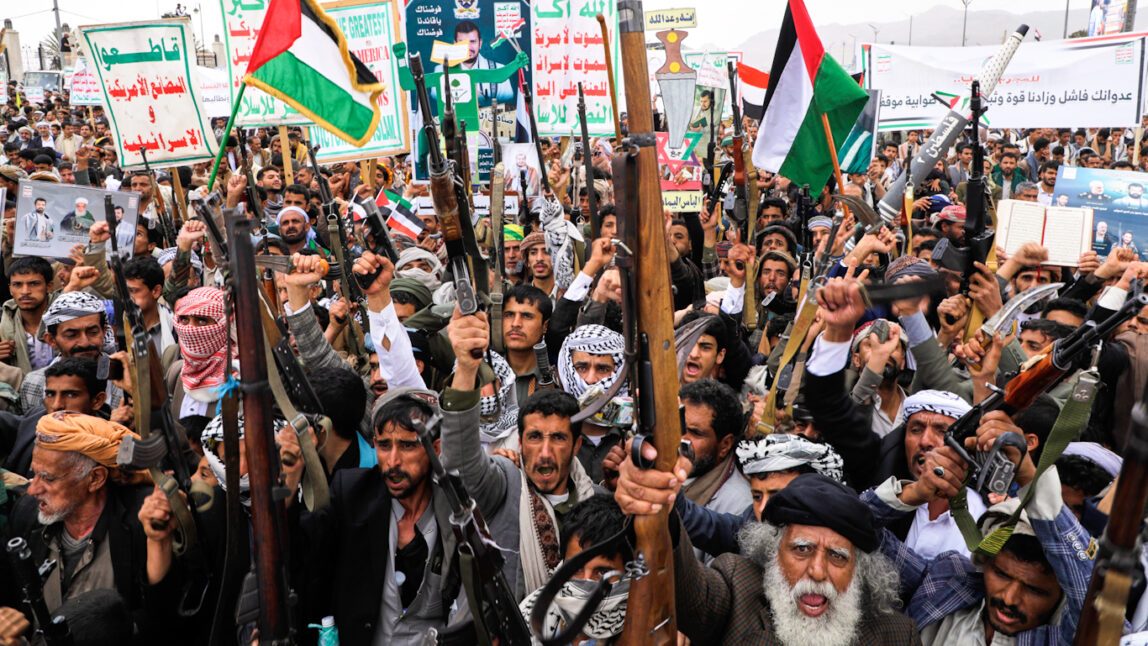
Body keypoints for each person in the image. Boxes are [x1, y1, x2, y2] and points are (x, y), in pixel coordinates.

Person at [616, 465, 920, 646]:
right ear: (774, 550)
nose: (817, 571)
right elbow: (688, 596)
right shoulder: (737, 588)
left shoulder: (896, 635)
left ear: (859, 570)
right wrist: (657, 510)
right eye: (802, 549)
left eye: (838, 556)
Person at [441, 306, 598, 600]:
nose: (546, 453)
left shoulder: (598, 502)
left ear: (577, 446)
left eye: (559, 438)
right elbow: (460, 466)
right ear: (520, 441)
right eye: (535, 437)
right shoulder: (503, 484)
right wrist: (465, 369)